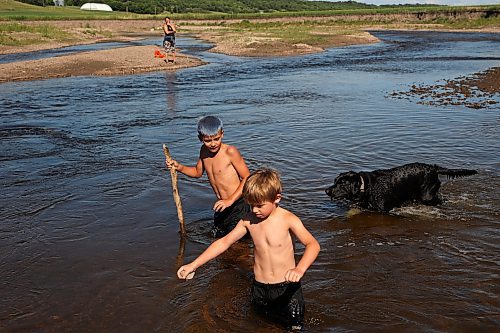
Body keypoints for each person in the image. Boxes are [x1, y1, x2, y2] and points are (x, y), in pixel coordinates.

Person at [177, 168, 320, 330]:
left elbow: (313, 244)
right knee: (258, 324)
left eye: (259, 205)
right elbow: (224, 243)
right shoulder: (248, 221)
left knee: (294, 327)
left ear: (277, 199)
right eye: (251, 205)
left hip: (286, 288)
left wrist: (300, 269)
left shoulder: (288, 219)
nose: (254, 210)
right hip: (259, 288)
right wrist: (193, 265)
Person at [166, 116, 251, 237]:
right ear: (200, 138)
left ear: (222, 134)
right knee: (219, 236)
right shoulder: (203, 151)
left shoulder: (230, 151)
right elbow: (197, 172)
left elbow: (247, 177)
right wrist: (179, 167)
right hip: (222, 205)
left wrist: (230, 200)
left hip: (238, 203)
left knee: (236, 241)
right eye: (207, 140)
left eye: (216, 139)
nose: (212, 144)